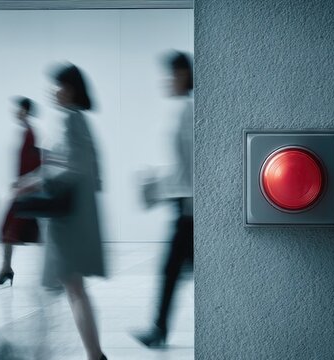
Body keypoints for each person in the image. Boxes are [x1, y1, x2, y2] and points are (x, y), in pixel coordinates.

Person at [16, 64, 107, 360]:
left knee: (69, 288)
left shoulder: (71, 120)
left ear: (70, 89)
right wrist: (35, 179)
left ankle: (91, 354)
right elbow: (91, 172)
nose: (53, 91)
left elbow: (70, 167)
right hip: (74, 218)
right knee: (70, 288)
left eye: (58, 85)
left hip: (68, 221)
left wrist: (33, 182)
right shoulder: (78, 120)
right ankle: (92, 354)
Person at [134, 51, 194, 348]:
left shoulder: (188, 111)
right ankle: (159, 329)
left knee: (171, 270)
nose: (166, 81)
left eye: (171, 74)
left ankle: (159, 329)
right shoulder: (186, 109)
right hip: (188, 203)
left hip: (190, 206)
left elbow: (190, 167)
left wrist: (157, 185)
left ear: (183, 75)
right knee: (176, 270)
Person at [0, 97, 41, 285]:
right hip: (23, 189)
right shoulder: (27, 132)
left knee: (10, 229)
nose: (15, 112)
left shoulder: (29, 133)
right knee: (14, 230)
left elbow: (34, 162)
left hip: (26, 190)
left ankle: (6, 269)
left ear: (26, 111)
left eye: (18, 109)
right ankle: (6, 269)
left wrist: (23, 183)